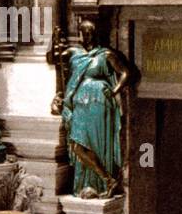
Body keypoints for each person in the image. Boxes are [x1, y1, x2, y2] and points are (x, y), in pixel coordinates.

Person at [53, 18, 130, 197]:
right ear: (79, 35)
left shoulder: (106, 54)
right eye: (84, 32)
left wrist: (114, 90)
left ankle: (101, 185)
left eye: (90, 32)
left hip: (99, 104)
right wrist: (55, 41)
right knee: (77, 144)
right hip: (79, 102)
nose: (87, 36)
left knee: (96, 143)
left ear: (95, 34)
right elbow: (54, 58)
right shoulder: (74, 53)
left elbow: (126, 73)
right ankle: (105, 180)